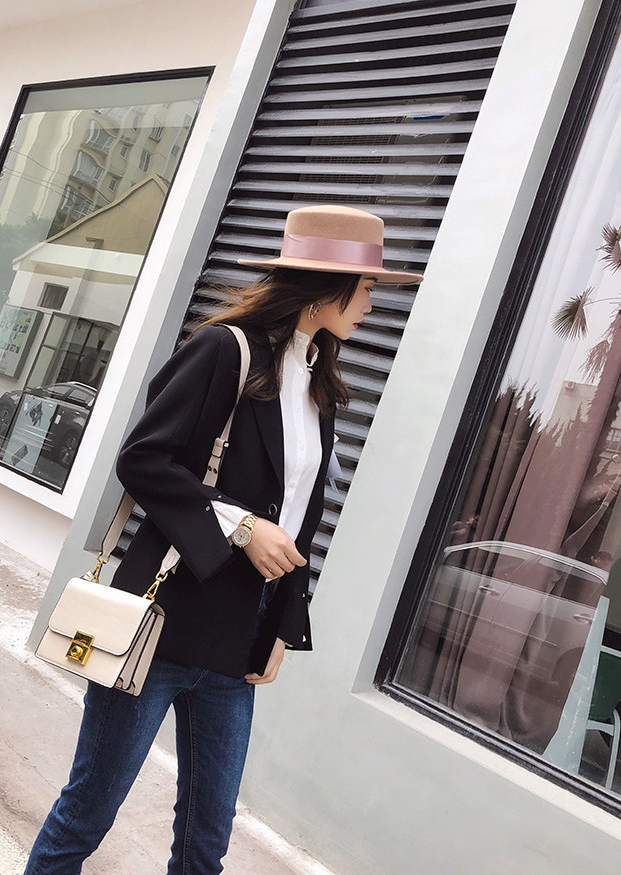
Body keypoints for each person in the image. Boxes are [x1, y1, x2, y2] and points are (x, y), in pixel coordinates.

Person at [24, 204, 423, 874]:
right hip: (162, 623)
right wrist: (240, 525)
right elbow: (144, 458)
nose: (371, 304)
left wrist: (281, 629)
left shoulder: (319, 384)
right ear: (325, 286)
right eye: (367, 287)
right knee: (88, 812)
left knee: (205, 844)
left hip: (238, 645)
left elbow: (299, 516)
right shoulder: (225, 351)